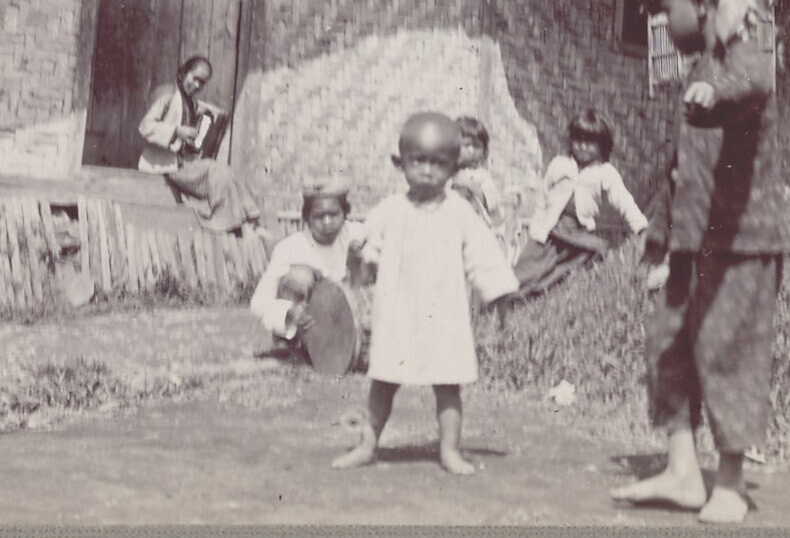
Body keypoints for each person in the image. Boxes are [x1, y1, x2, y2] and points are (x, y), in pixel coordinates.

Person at [611, 0, 786, 525]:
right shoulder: (699, 69)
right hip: (691, 239)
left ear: (703, 0)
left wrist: (717, 94)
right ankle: (684, 471)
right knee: (666, 342)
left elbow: (753, 86)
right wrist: (660, 238)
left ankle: (730, 482)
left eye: (668, 8)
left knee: (728, 350)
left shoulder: (746, 46)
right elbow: (680, 168)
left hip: (743, 239)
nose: (663, 21)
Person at [332, 113, 517, 475]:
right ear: (401, 162)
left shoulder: (459, 213)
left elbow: (484, 258)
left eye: (438, 163)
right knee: (383, 382)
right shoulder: (389, 211)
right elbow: (367, 261)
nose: (428, 171)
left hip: (444, 315)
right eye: (418, 161)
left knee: (448, 385)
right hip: (398, 314)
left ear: (453, 167)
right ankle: (367, 445)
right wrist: (358, 259)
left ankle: (449, 450)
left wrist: (500, 298)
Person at [508, 110, 648, 299]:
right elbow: (543, 195)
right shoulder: (559, 164)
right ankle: (508, 298)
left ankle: (546, 290)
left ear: (602, 145)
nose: (582, 147)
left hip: (576, 234)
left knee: (592, 253)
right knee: (524, 271)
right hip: (549, 231)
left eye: (590, 142)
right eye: (578, 140)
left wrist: (640, 226)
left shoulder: (605, 172)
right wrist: (536, 225)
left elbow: (624, 200)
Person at [137, 55, 263, 237]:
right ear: (183, 73)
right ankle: (231, 222)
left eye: (202, 83)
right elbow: (145, 127)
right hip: (165, 163)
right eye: (195, 79)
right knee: (216, 171)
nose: (197, 85)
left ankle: (250, 219)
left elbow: (190, 121)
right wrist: (176, 131)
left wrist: (204, 122)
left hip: (182, 162)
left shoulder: (190, 101)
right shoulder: (167, 94)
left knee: (226, 171)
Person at [250, 176, 366, 354]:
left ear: (345, 213)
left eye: (333, 214)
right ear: (306, 218)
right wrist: (290, 314)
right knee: (300, 276)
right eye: (319, 216)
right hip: (306, 329)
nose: (327, 222)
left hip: (347, 327)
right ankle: (291, 347)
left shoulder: (357, 235)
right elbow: (258, 303)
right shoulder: (289, 248)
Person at [450, 116, 516, 262]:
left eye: (477, 146)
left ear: (484, 150)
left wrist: (471, 186)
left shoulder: (481, 176)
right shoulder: (448, 174)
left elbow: (491, 205)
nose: (471, 151)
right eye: (466, 145)